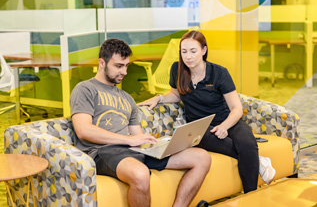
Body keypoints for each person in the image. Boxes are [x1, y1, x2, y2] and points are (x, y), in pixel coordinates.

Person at [70, 38, 211, 207]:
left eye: (126, 66)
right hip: (102, 151)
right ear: (102, 63)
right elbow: (83, 130)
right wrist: (129, 140)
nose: (125, 72)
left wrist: (155, 144)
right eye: (119, 66)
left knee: (202, 158)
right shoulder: (85, 89)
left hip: (130, 151)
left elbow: (137, 135)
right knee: (140, 173)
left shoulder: (127, 99)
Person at [138, 30, 276, 193]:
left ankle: (251, 196)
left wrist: (224, 126)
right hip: (201, 128)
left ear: (204, 50)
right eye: (184, 52)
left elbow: (236, 108)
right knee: (237, 148)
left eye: (193, 51)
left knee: (247, 144)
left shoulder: (219, 72)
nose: (188, 56)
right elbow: (176, 93)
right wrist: (159, 98)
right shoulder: (177, 69)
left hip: (228, 121)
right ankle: (258, 161)